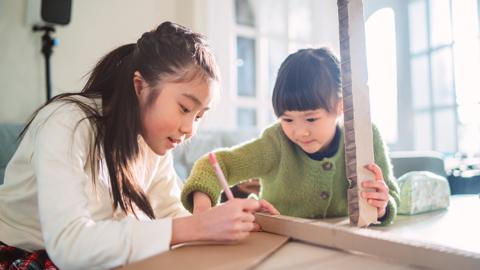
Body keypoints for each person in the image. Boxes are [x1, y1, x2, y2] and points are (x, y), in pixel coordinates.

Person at [0, 21, 277, 270]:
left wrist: (227, 221)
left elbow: (170, 214)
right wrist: (194, 227)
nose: (190, 129)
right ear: (140, 86)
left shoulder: (152, 141)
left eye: (199, 116)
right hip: (24, 252)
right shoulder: (66, 122)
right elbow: (69, 245)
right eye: (184, 108)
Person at [181, 48, 400, 225]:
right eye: (287, 120)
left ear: (340, 107)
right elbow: (211, 166)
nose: (299, 132)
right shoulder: (275, 143)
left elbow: (391, 194)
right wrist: (203, 212)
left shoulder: (366, 136)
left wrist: (383, 206)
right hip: (278, 243)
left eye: (311, 119)